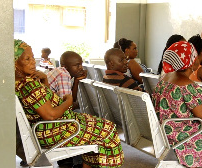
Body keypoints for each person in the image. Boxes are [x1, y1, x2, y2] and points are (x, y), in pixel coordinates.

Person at [14, 39, 124, 168]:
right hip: (53, 130)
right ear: (15, 63)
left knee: (98, 125)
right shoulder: (29, 86)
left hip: (50, 127)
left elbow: (46, 100)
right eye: (27, 59)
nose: (33, 61)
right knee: (108, 130)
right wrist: (69, 101)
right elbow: (50, 115)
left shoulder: (22, 82)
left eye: (32, 57)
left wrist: (44, 79)